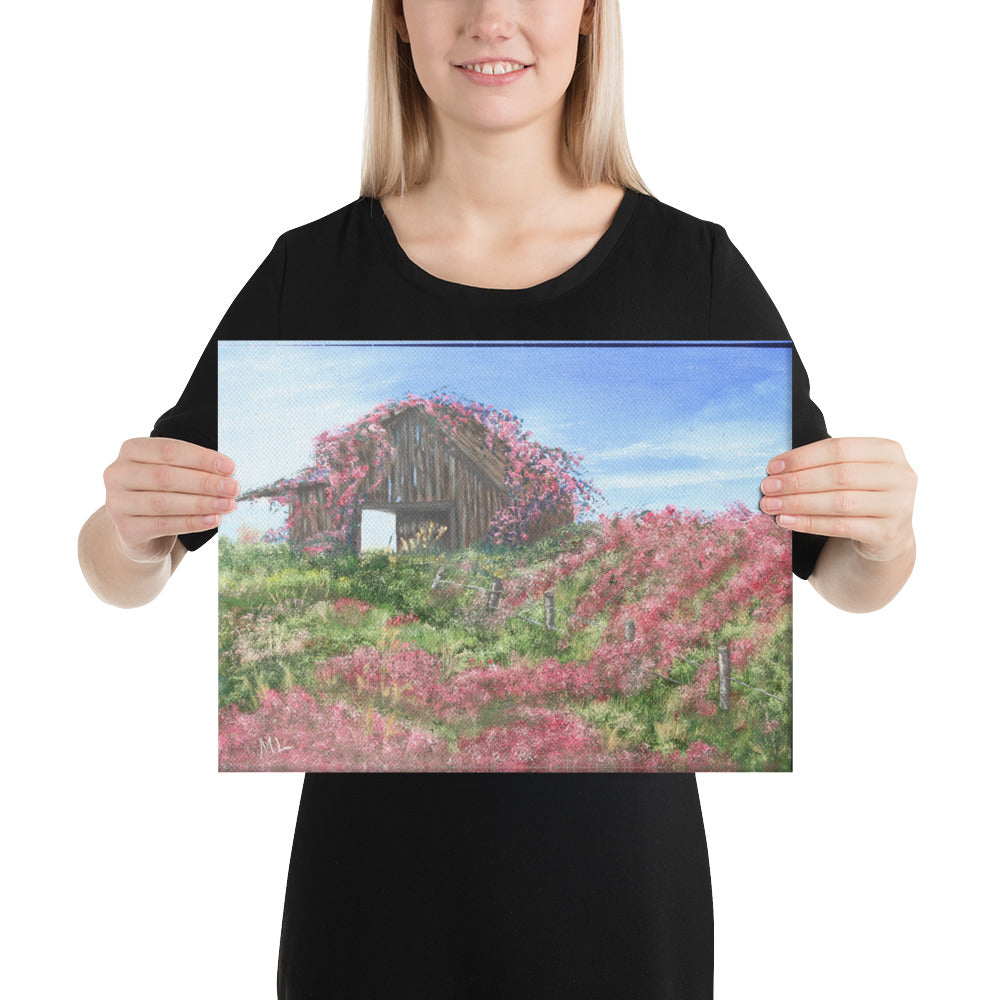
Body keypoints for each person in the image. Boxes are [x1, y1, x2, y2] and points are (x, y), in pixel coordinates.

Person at [78, 1, 917, 996]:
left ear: (591, 18)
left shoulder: (692, 273)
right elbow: (122, 567)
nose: (491, 18)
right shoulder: (311, 275)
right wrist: (130, 532)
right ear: (396, 19)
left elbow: (843, 575)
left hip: (619, 904)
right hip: (370, 905)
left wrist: (884, 532)